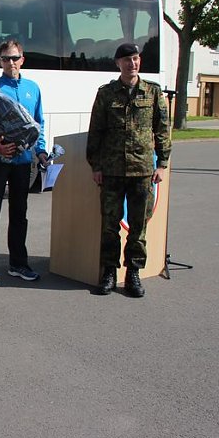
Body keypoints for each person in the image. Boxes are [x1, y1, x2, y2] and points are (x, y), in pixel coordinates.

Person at [86, 42, 171, 298]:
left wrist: (162, 164)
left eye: (135, 59)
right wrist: (96, 165)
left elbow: (162, 130)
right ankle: (109, 273)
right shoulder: (106, 93)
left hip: (142, 171)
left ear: (139, 61)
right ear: (118, 64)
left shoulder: (153, 92)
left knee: (138, 226)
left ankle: (133, 273)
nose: (131, 64)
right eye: (126, 60)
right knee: (110, 226)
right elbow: (96, 131)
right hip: (112, 171)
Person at [0, 39, 47, 286]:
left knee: (19, 214)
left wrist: (41, 151)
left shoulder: (32, 88)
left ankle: (18, 264)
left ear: (22, 60)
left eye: (15, 58)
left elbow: (38, 123)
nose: (11, 62)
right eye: (6, 58)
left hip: (23, 161)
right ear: (0, 61)